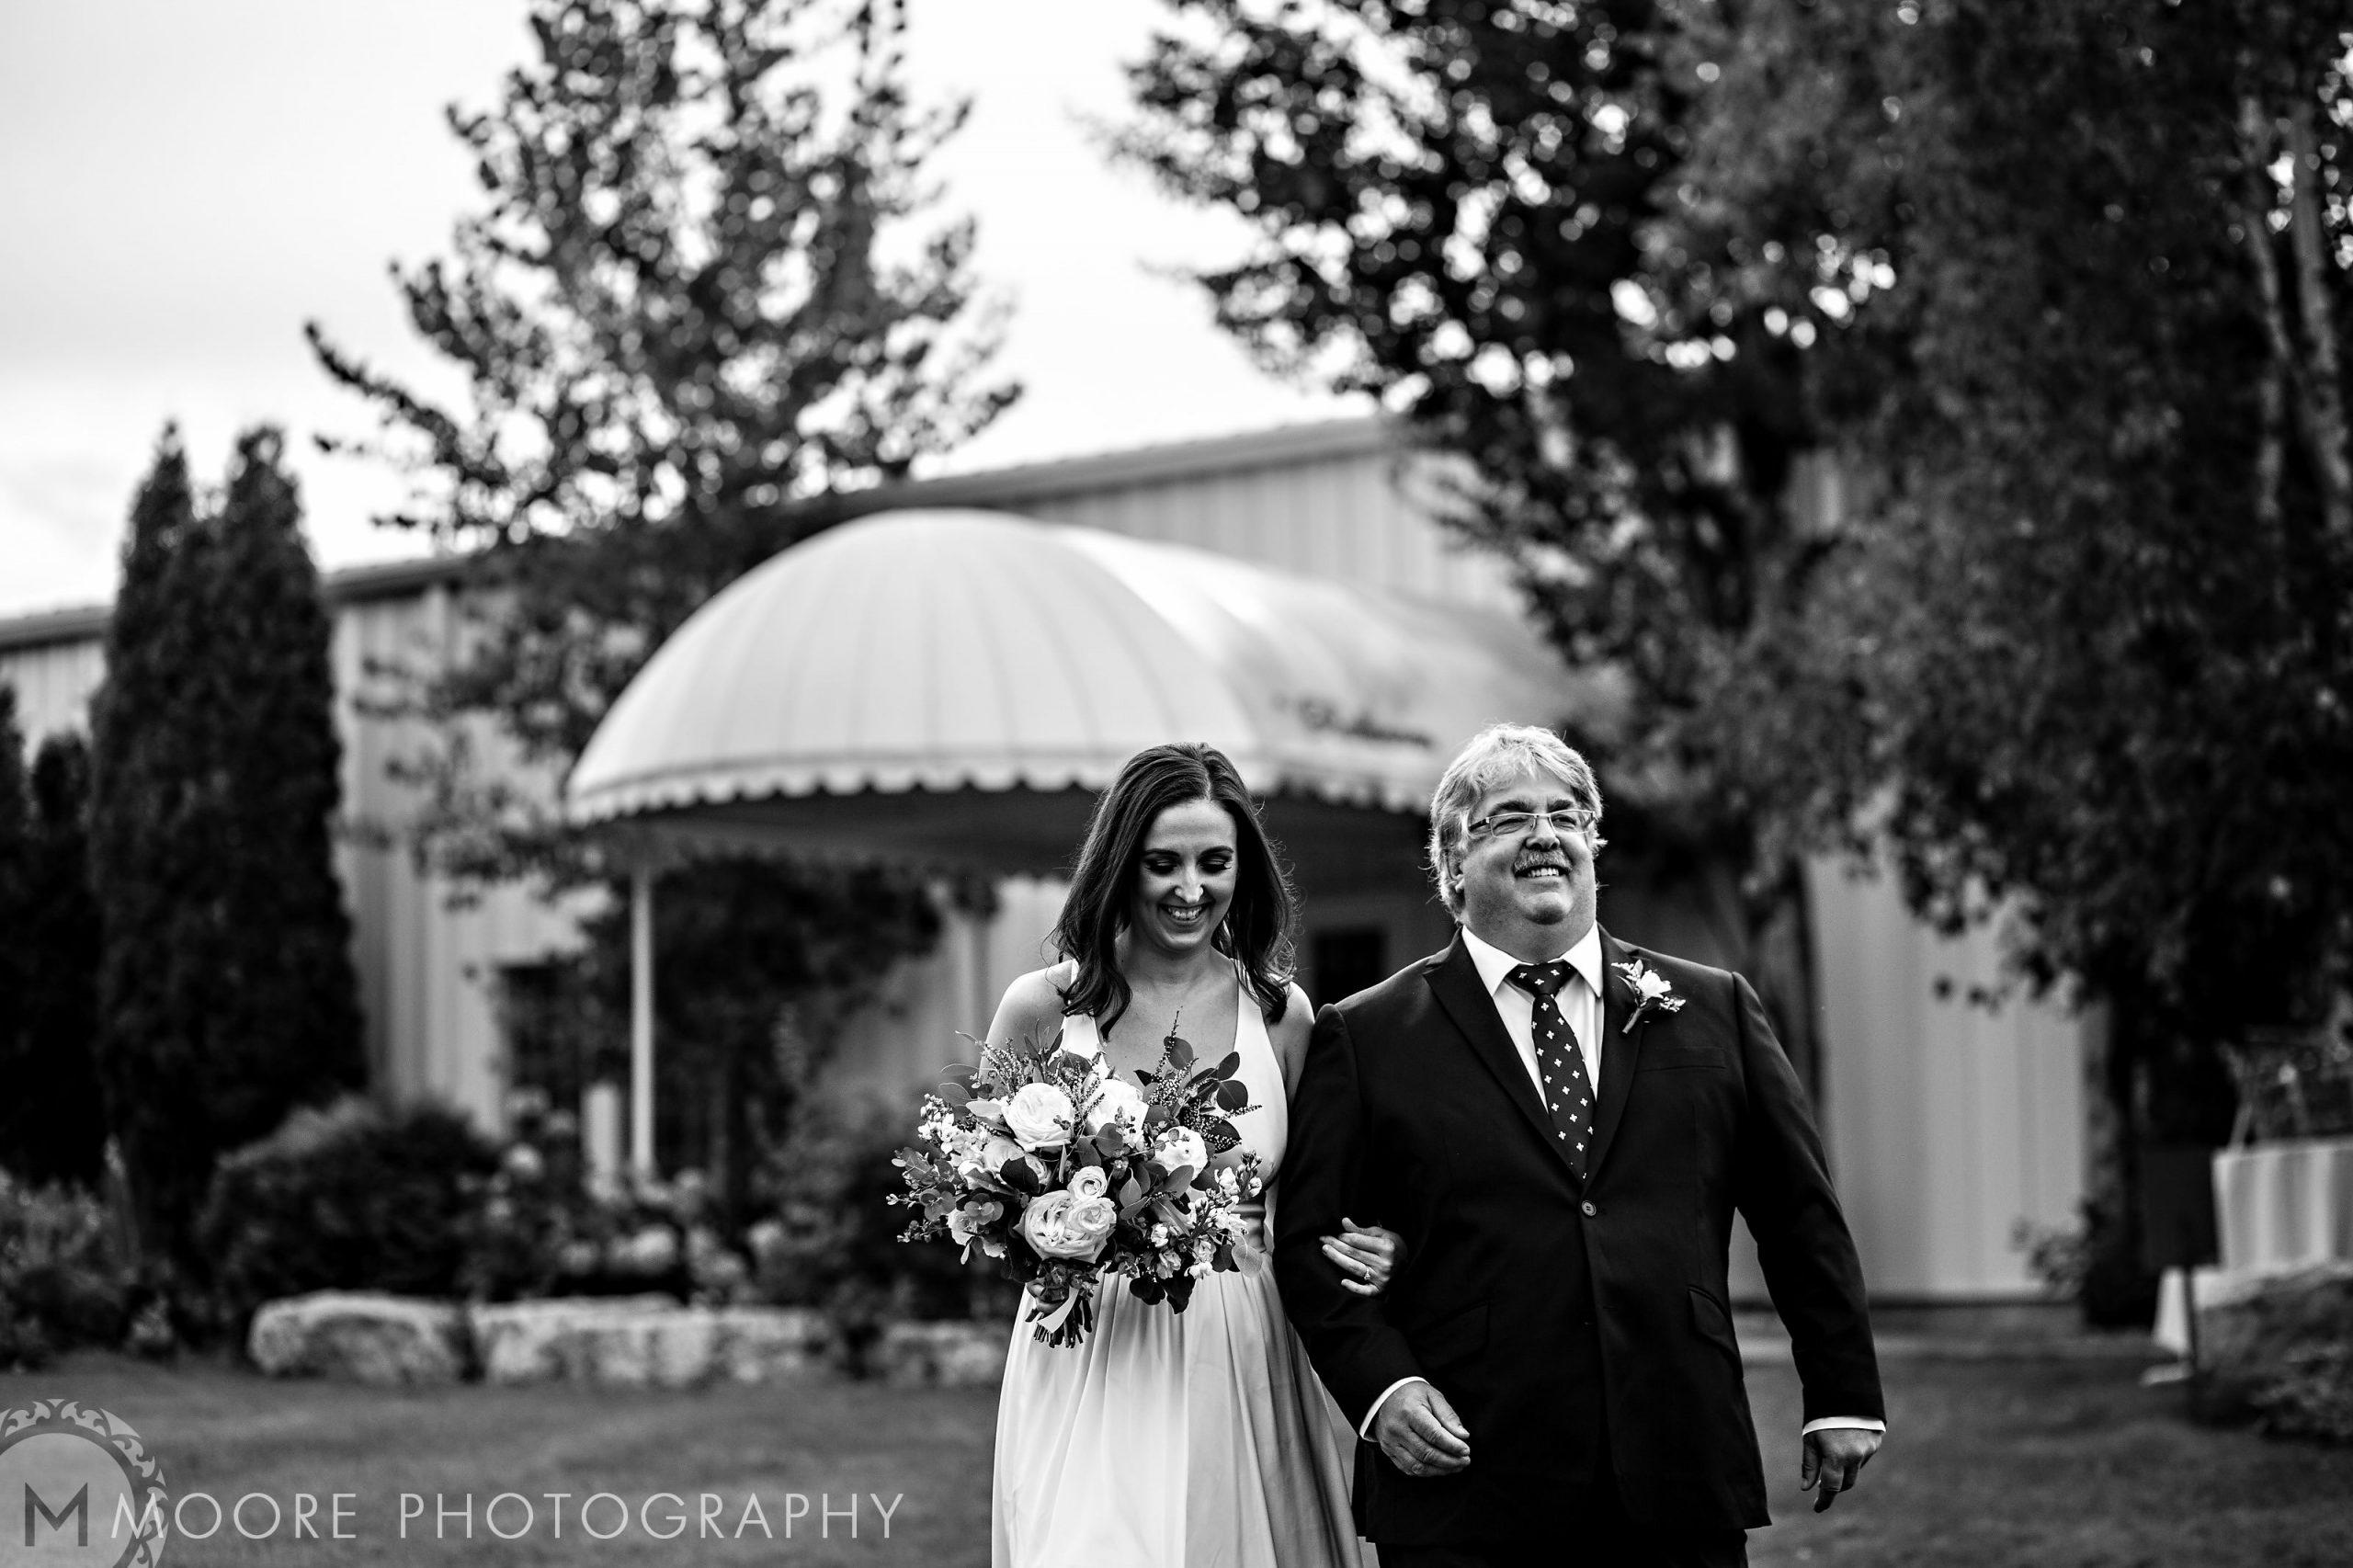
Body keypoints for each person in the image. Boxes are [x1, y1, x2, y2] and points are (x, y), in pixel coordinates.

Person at [1274, 722, 1886, 1568]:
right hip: (1470, 1481)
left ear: (1592, 846)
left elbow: (1798, 1212)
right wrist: (1384, 1387)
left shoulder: (1713, 1008)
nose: (1543, 835)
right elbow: (1309, 1244)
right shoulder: (1366, 1034)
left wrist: (1842, 1391)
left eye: (1565, 816)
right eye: (1508, 818)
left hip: (1678, 1462)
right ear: (1453, 863)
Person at [987, 742, 1398, 1568]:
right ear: (1119, 866)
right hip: (1090, 1344)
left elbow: (1328, 1205)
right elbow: (987, 1202)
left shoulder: (1284, 1017)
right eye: (1161, 864)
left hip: (1241, 1343)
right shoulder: (1041, 1008)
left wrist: (1380, 1245)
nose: (1189, 889)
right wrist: (1059, 1228)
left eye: (1214, 863)